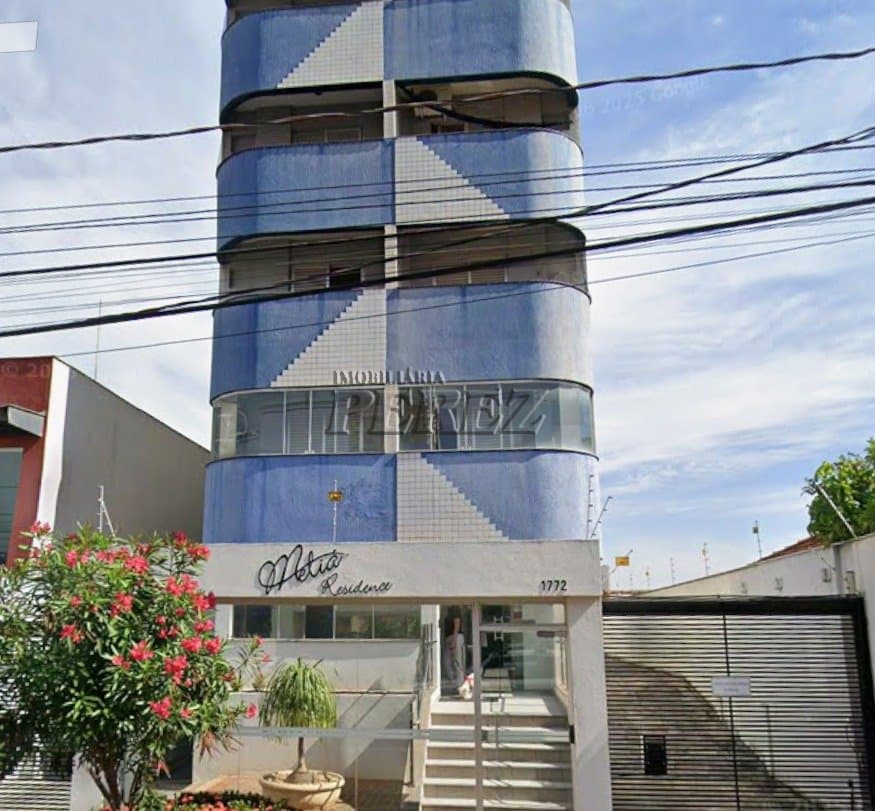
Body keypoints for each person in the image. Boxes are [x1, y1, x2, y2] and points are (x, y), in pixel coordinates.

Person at [442, 615, 466, 693]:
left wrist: (454, 641)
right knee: (446, 661)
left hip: (455, 637)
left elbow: (457, 624)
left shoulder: (454, 609)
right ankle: (456, 683)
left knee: (457, 662)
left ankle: (460, 686)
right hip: (449, 638)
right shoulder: (446, 611)